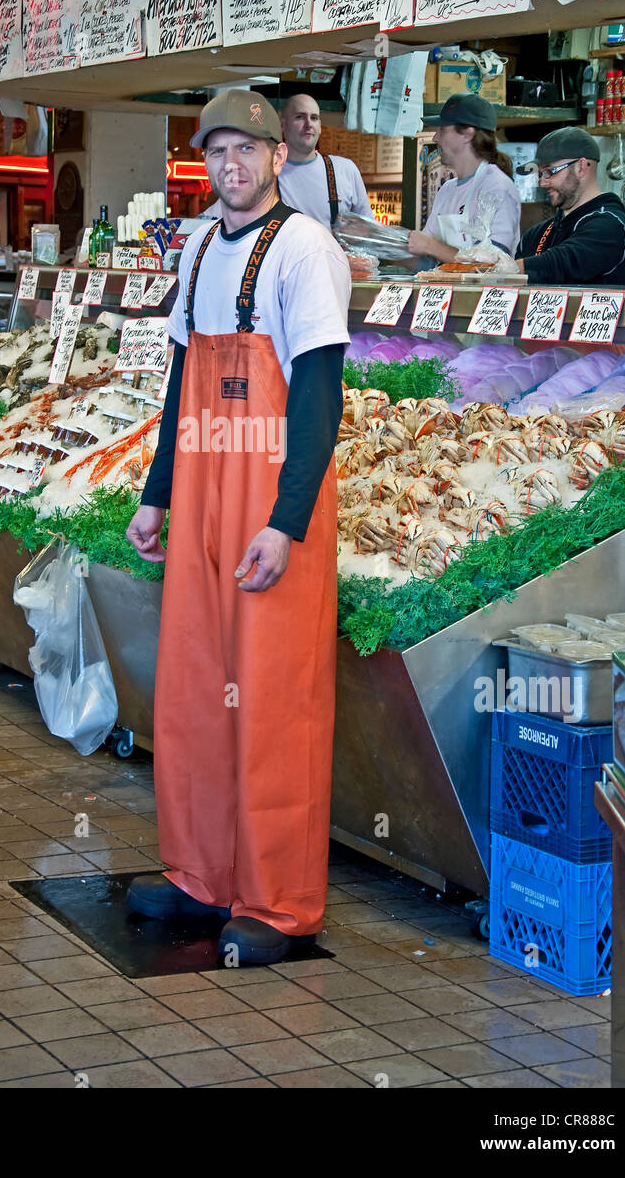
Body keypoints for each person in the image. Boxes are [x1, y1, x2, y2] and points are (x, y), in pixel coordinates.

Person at [124, 89, 350, 967]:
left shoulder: (305, 249)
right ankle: (199, 872)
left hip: (270, 496)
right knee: (193, 684)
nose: (231, 166)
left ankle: (279, 901)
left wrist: (285, 523)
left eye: (245, 151)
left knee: (271, 700)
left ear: (276, 158)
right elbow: (181, 376)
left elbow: (321, 399)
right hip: (202, 484)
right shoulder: (193, 247)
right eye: (216, 152)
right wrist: (156, 494)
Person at [407, 94, 521, 264]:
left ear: (467, 134)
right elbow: (427, 263)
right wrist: (380, 241)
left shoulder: (496, 185)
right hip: (447, 290)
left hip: (483, 291)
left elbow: (494, 263)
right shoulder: (447, 190)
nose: (435, 138)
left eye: (442, 130)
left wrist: (431, 246)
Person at [516, 128, 625, 286]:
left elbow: (564, 263)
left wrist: (510, 267)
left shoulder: (611, 226)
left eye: (550, 172)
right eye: (540, 174)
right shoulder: (535, 235)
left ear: (581, 167)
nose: (542, 182)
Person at [277, 92, 374, 227]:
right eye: (300, 117)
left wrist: (360, 232)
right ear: (283, 124)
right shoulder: (268, 174)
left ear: (320, 126)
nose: (308, 124)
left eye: (314, 118)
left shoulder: (345, 169)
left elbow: (370, 230)